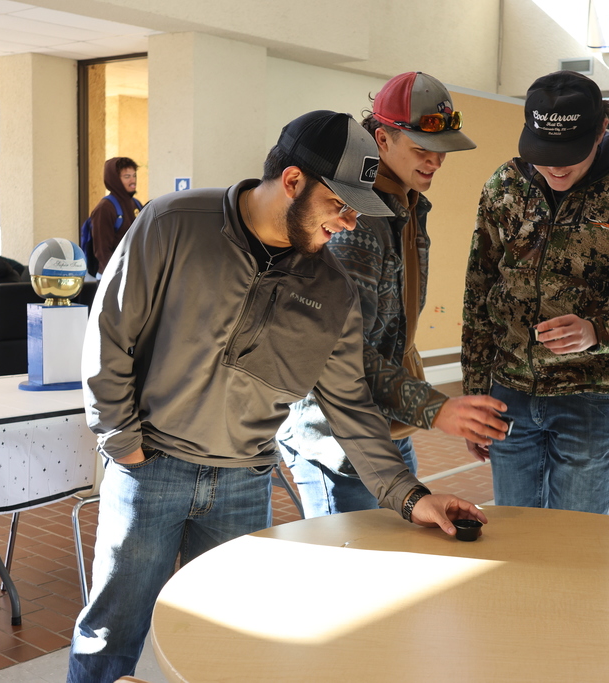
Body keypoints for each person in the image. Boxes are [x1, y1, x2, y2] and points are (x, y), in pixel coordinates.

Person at [70, 110, 488, 682]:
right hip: (151, 470)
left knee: (228, 640)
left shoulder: (331, 289)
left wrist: (410, 496)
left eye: (356, 211)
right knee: (110, 634)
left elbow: (351, 405)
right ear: (292, 182)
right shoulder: (174, 222)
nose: (347, 225)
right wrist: (120, 439)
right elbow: (110, 331)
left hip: (244, 483)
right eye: (338, 206)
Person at [278, 72, 508, 517]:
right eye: (422, 150)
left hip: (383, 429)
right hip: (337, 437)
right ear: (381, 139)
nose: (435, 163)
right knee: (350, 572)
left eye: (441, 152)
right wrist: (435, 408)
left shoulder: (403, 204)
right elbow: (340, 353)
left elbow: (392, 329)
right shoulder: (357, 221)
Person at [462, 71, 609, 513]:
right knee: (513, 538)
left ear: (602, 129)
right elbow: (478, 292)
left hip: (592, 400)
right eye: (544, 154)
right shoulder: (505, 187)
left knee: (575, 546)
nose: (556, 167)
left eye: (569, 153)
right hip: (509, 394)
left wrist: (597, 332)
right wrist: (473, 393)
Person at [89, 156, 141, 277]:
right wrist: (116, 275)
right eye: (127, 177)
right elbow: (102, 251)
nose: (132, 180)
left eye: (134, 175)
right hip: (111, 278)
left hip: (132, 276)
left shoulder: (136, 204)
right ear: (114, 179)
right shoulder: (105, 208)